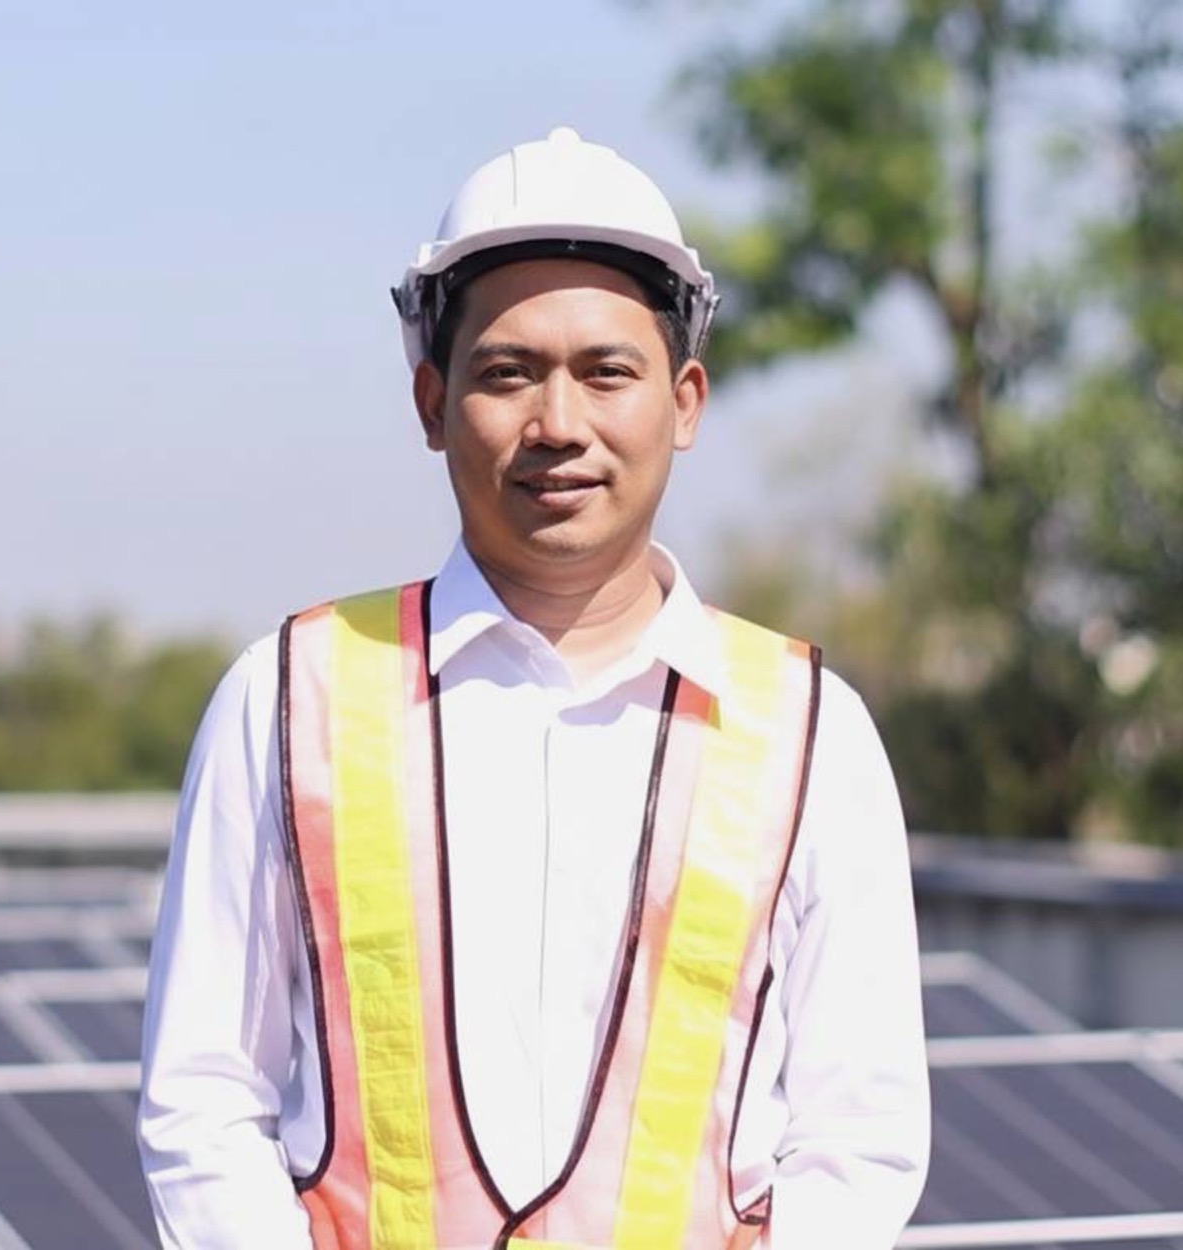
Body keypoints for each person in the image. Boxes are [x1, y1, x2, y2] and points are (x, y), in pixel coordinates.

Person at [138, 126, 929, 1249]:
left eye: (607, 372)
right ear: (430, 402)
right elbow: (204, 1099)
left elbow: (858, 1133)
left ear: (684, 401)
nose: (558, 425)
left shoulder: (807, 729)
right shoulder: (286, 697)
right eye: (507, 373)